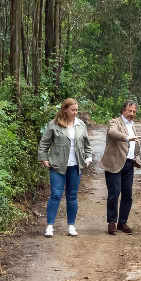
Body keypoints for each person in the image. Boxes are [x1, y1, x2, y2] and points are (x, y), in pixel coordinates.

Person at [38, 98, 92, 237]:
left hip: (75, 166)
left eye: (76, 110)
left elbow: (87, 145)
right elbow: (44, 144)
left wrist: (88, 157)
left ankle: (71, 226)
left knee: (72, 196)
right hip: (57, 166)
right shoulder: (54, 125)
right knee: (56, 195)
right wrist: (43, 158)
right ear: (65, 109)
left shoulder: (80, 125)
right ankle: (50, 226)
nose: (75, 112)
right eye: (73, 110)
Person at [100, 100, 141, 235]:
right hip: (114, 163)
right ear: (123, 111)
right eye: (129, 111)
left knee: (128, 195)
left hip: (129, 164)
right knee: (114, 193)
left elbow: (134, 143)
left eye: (134, 111)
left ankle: (122, 222)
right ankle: (112, 222)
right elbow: (112, 132)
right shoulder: (114, 122)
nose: (132, 113)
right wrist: (127, 138)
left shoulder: (133, 124)